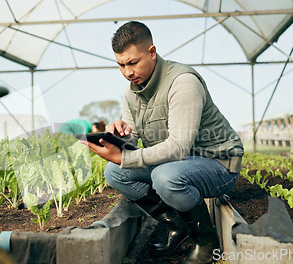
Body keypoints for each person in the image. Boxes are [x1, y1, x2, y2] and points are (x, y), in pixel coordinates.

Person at [80, 21, 244, 264]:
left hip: (217, 165)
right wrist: (121, 135)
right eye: (121, 65)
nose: (127, 72)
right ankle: (177, 224)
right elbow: (134, 134)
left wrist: (126, 157)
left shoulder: (182, 82)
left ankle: (206, 240)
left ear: (152, 52)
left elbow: (178, 146)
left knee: (165, 177)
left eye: (133, 63)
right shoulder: (131, 92)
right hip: (181, 163)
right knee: (114, 172)